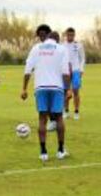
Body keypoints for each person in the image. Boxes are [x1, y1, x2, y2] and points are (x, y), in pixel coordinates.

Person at [21, 31, 71, 161]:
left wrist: (24, 89)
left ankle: (43, 153)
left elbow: (27, 70)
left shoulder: (36, 48)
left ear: (48, 39)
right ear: (57, 40)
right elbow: (66, 72)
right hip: (57, 87)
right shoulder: (62, 49)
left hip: (40, 87)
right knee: (59, 118)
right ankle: (60, 151)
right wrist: (68, 90)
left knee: (42, 119)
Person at [63, 27, 86, 120]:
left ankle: (76, 111)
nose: (70, 36)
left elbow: (83, 58)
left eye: (72, 35)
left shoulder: (78, 45)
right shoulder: (62, 45)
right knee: (66, 92)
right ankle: (66, 111)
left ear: (74, 35)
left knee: (76, 91)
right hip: (65, 71)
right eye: (68, 35)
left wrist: (81, 69)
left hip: (76, 70)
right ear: (66, 35)